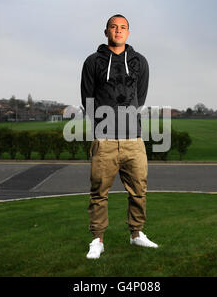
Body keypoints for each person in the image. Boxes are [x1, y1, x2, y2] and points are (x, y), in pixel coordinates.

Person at [81, 14, 158, 259]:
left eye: (123, 27)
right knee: (99, 192)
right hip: (104, 140)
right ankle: (97, 240)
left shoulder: (139, 61)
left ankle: (136, 234)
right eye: (114, 27)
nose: (118, 31)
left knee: (138, 190)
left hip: (133, 139)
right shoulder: (93, 61)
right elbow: (87, 99)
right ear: (106, 32)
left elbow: (141, 96)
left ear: (128, 32)